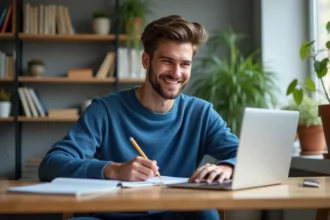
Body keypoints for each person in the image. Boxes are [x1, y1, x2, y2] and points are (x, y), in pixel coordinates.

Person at [38, 15, 239, 220]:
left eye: (185, 64)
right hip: (111, 217)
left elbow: (245, 155)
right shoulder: (105, 110)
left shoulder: (201, 114)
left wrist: (227, 166)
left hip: (174, 215)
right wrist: (111, 170)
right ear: (146, 60)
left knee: (207, 214)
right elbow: (51, 164)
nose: (176, 73)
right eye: (167, 61)